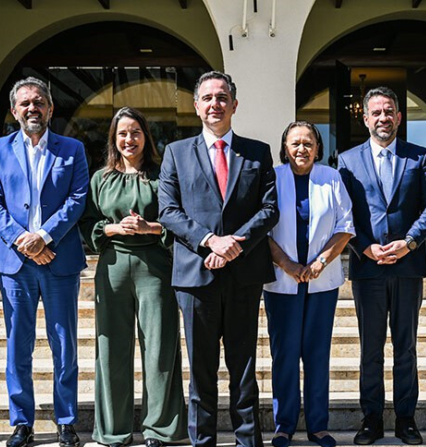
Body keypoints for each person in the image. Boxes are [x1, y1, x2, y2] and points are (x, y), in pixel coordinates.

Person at [158, 71, 279, 447]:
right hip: (195, 278)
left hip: (244, 276)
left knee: (244, 369)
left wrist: (234, 246)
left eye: (222, 97)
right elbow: (168, 210)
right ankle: (203, 442)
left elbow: (270, 208)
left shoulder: (257, 152)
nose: (215, 104)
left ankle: (248, 441)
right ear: (196, 106)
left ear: (235, 105)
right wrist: (210, 241)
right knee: (202, 370)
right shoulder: (176, 153)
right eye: (208, 98)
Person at [0, 76, 89, 447]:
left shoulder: (72, 148)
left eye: (39, 102)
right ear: (14, 111)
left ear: (50, 108)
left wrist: (44, 236)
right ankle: (21, 422)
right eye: (25, 103)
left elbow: (77, 199)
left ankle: (66, 421)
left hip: (59, 259)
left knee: (65, 345)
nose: (32, 108)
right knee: (18, 345)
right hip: (15, 263)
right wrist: (23, 240)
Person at [79, 107, 187, 447]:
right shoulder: (100, 179)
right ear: (114, 138)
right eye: (122, 133)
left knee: (159, 347)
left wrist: (149, 227)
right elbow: (86, 223)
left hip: (155, 265)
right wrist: (112, 228)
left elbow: (176, 219)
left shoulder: (162, 175)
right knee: (111, 348)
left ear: (146, 137)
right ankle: (114, 429)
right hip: (112, 266)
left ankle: (160, 429)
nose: (129, 139)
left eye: (135, 132)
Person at [337, 86, 426, 446]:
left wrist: (409, 243)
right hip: (368, 268)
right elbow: (343, 211)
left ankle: (407, 419)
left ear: (399, 117)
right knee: (371, 348)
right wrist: (364, 247)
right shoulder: (347, 161)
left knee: (406, 346)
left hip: (407, 268)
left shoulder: (419, 157)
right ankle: (372, 419)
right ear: (364, 118)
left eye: (389, 112)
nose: (383, 118)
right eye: (376, 112)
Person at [263, 121, 355, 447]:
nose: (301, 149)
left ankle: (318, 426)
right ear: (284, 147)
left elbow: (345, 227)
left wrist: (319, 262)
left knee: (317, 355)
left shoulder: (332, 178)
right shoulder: (272, 177)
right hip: (282, 281)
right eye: (295, 143)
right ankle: (284, 426)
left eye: (308, 143)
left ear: (318, 148)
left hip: (322, 281)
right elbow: (263, 230)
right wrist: (287, 264)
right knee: (284, 355)